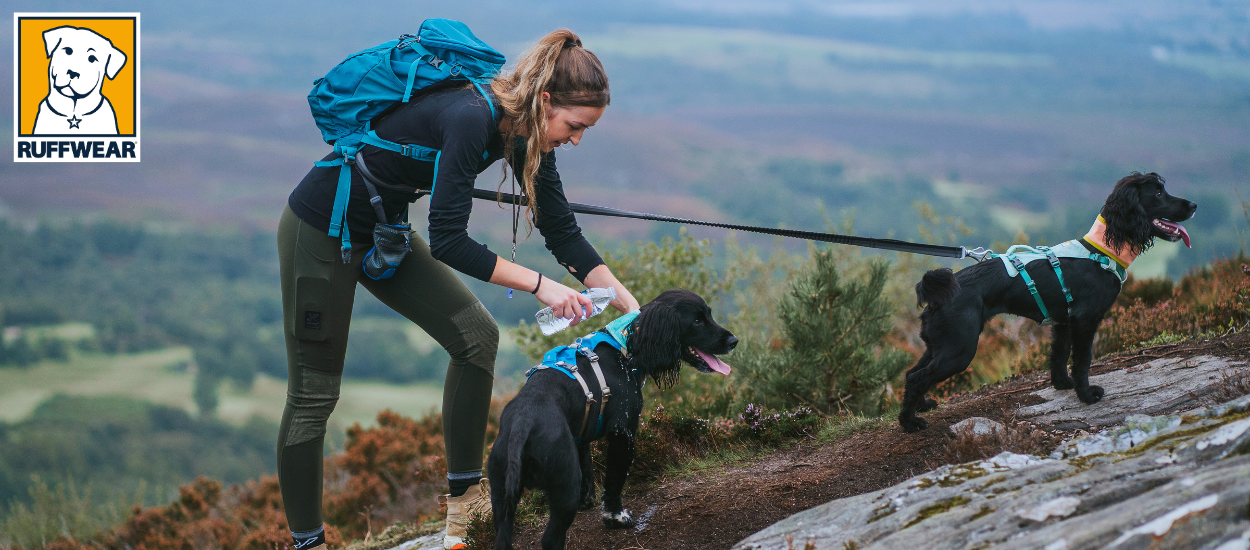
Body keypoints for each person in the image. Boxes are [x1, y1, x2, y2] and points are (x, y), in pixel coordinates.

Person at [276, 29, 640, 550]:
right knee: (313, 395)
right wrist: (542, 286)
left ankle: (464, 509)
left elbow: (561, 229)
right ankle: (308, 543)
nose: (577, 138)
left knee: (475, 338)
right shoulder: (472, 118)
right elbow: (448, 240)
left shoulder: (524, 133)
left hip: (383, 235)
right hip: (319, 231)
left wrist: (630, 307)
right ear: (546, 101)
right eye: (575, 125)